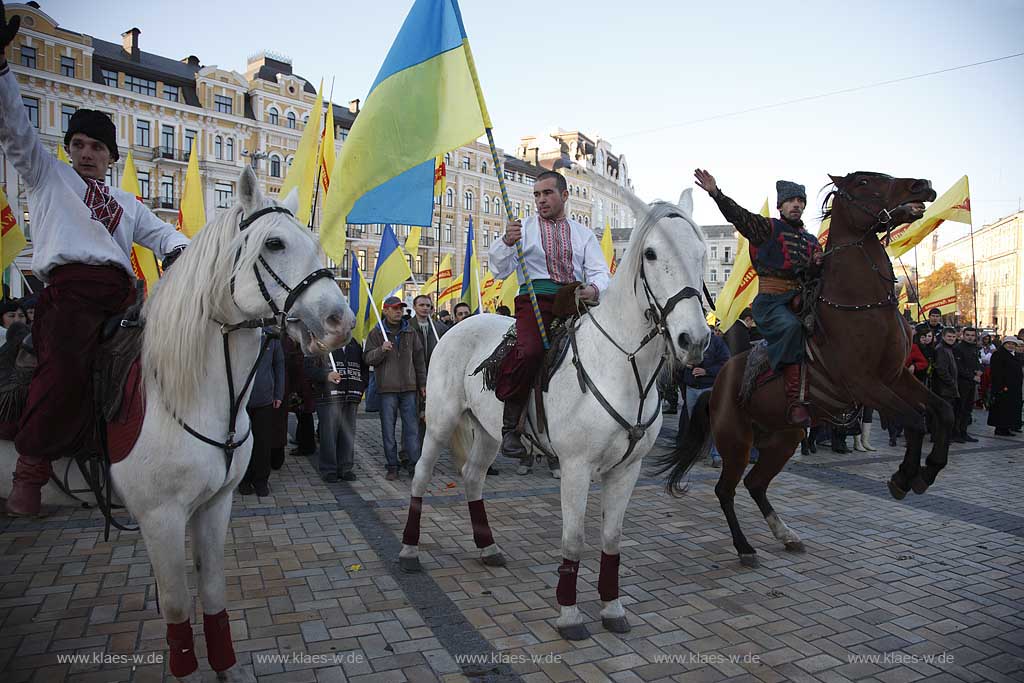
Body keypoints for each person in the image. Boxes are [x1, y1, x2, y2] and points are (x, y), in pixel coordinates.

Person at [0, 6, 190, 516]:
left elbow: (164, 234)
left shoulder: (128, 203)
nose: (87, 154)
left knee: (167, 365)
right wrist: (1, 71)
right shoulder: (46, 176)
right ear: (68, 149)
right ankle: (31, 470)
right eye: (79, 144)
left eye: (98, 148)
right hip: (68, 297)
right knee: (62, 371)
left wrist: (186, 252)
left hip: (122, 297)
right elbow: (16, 129)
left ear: (111, 157)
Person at [488, 170, 609, 463]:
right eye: (537, 195)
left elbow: (599, 272)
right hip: (534, 299)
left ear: (564, 195)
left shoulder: (583, 234)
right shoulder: (523, 229)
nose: (541, 200)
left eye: (547, 193)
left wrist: (593, 289)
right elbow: (498, 270)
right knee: (530, 351)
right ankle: (511, 426)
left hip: (573, 299)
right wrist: (506, 242)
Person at [694, 169, 823, 427]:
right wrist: (716, 194)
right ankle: (794, 400)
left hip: (803, 300)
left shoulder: (811, 240)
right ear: (780, 205)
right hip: (772, 303)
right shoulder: (767, 228)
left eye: (800, 201)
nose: (796, 205)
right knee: (791, 328)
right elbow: (740, 217)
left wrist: (819, 264)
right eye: (791, 200)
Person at [364, 296, 426, 480]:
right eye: (394, 308)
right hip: (387, 389)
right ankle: (392, 465)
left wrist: (422, 384)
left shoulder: (410, 332)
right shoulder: (376, 333)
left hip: (409, 388)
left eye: (400, 308)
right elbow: (368, 358)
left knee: (412, 429)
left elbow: (419, 360)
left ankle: (414, 464)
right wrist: (381, 350)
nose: (398, 311)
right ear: (385, 310)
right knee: (388, 430)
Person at [305, 338, 367, 482]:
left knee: (348, 433)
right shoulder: (319, 342)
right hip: (328, 397)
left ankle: (345, 467)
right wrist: (326, 375)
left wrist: (362, 384)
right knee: (328, 435)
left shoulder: (353, 343)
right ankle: (329, 469)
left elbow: (363, 367)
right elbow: (308, 368)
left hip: (351, 395)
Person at [240, 329, 285, 497]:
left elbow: (279, 365)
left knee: (263, 443)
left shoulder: (271, 336)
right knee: (242, 443)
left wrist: (278, 393)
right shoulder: (241, 332)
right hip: (241, 400)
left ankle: (261, 481)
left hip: (265, 399)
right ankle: (244, 479)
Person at [678, 326, 730, 467]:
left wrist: (706, 371)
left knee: (714, 421)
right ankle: (697, 451)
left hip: (709, 388)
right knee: (694, 422)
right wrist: (685, 364)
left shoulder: (716, 342)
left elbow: (726, 362)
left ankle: (716, 455)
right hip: (691, 388)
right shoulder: (688, 341)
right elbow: (677, 359)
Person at [988, 337, 1022, 436]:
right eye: (1008, 344)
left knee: (1009, 408)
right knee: (1002, 408)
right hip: (1003, 387)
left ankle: (1007, 427)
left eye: (1013, 344)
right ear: (1004, 344)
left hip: (1013, 387)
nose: (1011, 346)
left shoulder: (1013, 355)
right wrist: (1002, 386)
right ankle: (1001, 429)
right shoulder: (998, 354)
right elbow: (996, 372)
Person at [952, 327, 981, 442]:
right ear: (963, 335)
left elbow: (977, 362)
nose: (970, 337)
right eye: (968, 335)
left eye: (972, 335)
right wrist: (972, 376)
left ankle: (963, 432)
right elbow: (958, 367)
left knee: (968, 409)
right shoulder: (958, 348)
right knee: (959, 408)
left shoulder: (974, 348)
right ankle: (956, 433)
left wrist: (979, 370)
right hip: (961, 382)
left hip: (971, 383)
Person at [930, 328, 960, 431]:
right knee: (942, 414)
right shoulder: (941, 349)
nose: (951, 339)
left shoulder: (949, 348)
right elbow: (941, 370)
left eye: (953, 337)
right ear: (943, 336)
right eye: (949, 336)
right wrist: (951, 382)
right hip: (943, 388)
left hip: (947, 388)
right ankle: (938, 435)